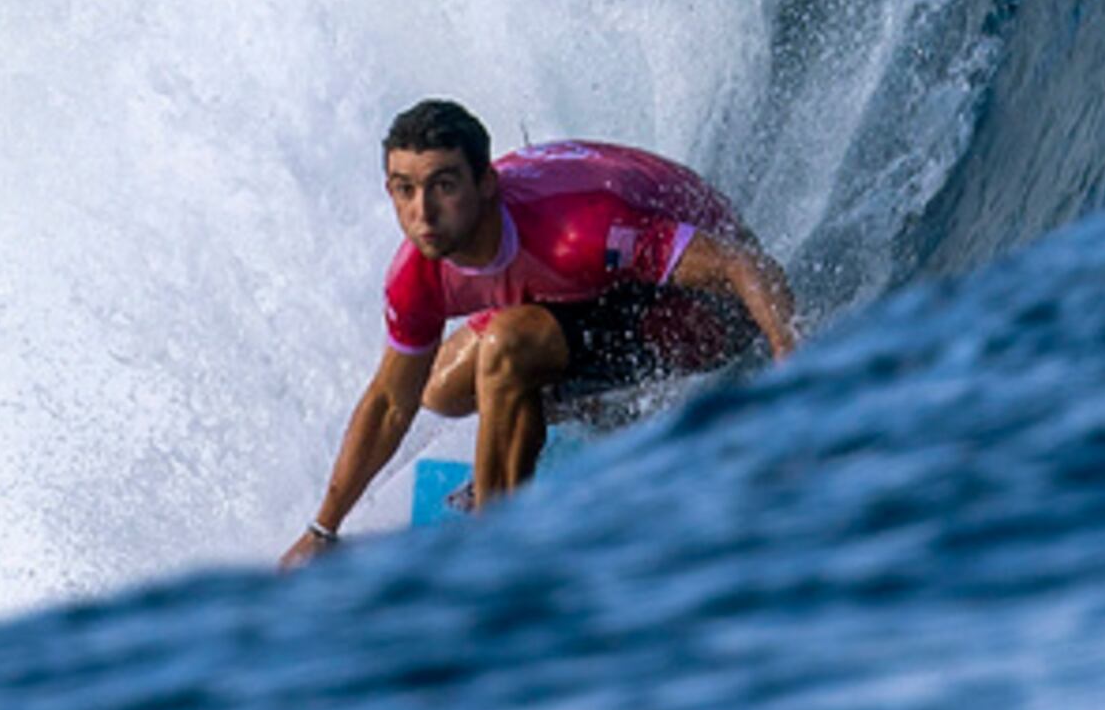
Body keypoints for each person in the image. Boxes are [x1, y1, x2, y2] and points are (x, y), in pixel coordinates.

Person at [280, 98, 798, 569]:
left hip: (702, 312)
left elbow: (737, 264)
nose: (422, 212)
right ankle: (580, 411)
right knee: (439, 387)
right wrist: (323, 529)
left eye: (444, 185)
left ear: (485, 184)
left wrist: (788, 359)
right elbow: (392, 403)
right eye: (405, 190)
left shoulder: (578, 231)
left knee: (507, 347)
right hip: (583, 291)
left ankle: (497, 546)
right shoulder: (417, 273)